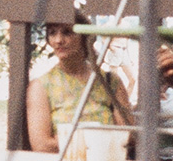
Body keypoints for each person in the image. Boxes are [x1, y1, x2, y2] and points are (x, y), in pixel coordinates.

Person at [26, 15, 134, 153]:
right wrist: (98, 138)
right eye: (52, 33)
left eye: (67, 32)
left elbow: (129, 135)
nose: (58, 40)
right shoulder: (41, 86)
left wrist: (71, 139)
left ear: (85, 38)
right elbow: (41, 145)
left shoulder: (110, 82)